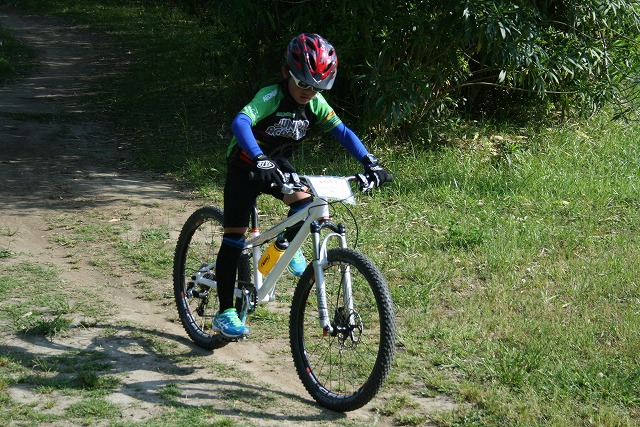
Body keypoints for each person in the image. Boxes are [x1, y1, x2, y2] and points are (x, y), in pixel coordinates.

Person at [212, 33, 391, 338]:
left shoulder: (315, 102)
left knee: (309, 205)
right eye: (304, 84)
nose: (310, 92)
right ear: (286, 73)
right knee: (234, 238)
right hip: (246, 166)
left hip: (277, 163)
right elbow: (240, 122)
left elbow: (342, 132)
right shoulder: (271, 96)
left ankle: (284, 245)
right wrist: (258, 158)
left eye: (318, 87)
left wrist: (370, 162)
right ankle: (225, 312)